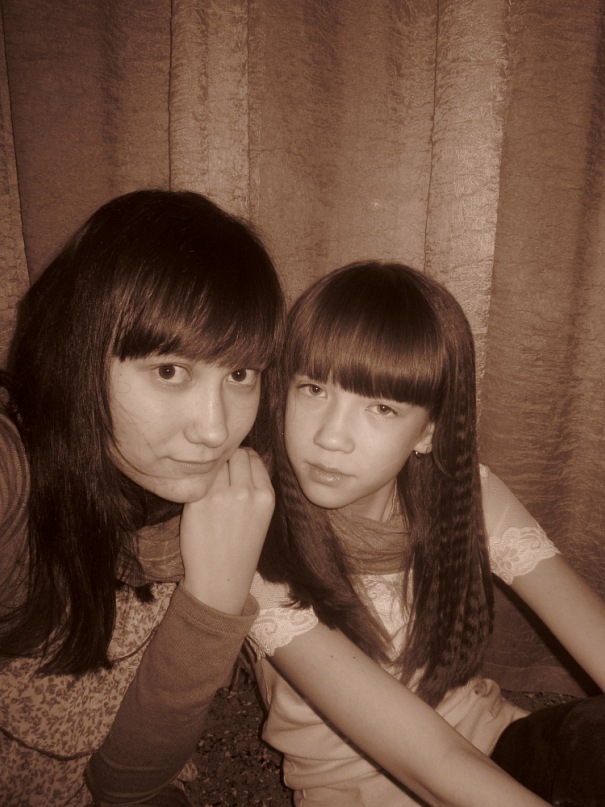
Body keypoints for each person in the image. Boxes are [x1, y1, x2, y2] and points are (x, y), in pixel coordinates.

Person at [249, 261, 605, 806]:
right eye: (314, 389)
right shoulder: (256, 537)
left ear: (429, 431)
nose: (331, 437)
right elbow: (435, 765)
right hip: (361, 792)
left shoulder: (465, 495)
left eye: (381, 407)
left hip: (494, 743)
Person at [0, 189, 284, 806]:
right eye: (169, 371)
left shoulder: (234, 488)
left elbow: (129, 783)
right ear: (78, 353)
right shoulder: (15, 470)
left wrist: (213, 600)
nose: (215, 430)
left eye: (239, 375)